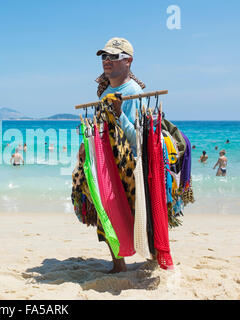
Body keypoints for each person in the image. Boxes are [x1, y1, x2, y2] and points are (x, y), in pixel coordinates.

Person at [94, 37, 146, 273]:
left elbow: (137, 139)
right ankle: (118, 265)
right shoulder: (105, 91)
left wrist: (119, 114)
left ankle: (134, 262)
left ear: (128, 61)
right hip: (108, 162)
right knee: (106, 211)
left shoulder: (132, 92)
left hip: (128, 166)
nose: (107, 61)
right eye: (104, 56)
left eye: (113, 57)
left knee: (132, 216)